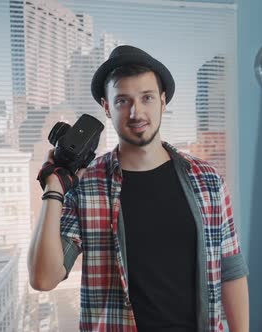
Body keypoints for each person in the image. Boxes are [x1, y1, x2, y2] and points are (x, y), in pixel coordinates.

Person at [28, 45, 249, 332]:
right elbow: (44, 279)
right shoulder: (87, 186)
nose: (136, 112)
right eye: (122, 101)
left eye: (146, 98)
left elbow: (230, 269)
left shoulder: (207, 179)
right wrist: (54, 189)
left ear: (163, 100)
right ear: (107, 108)